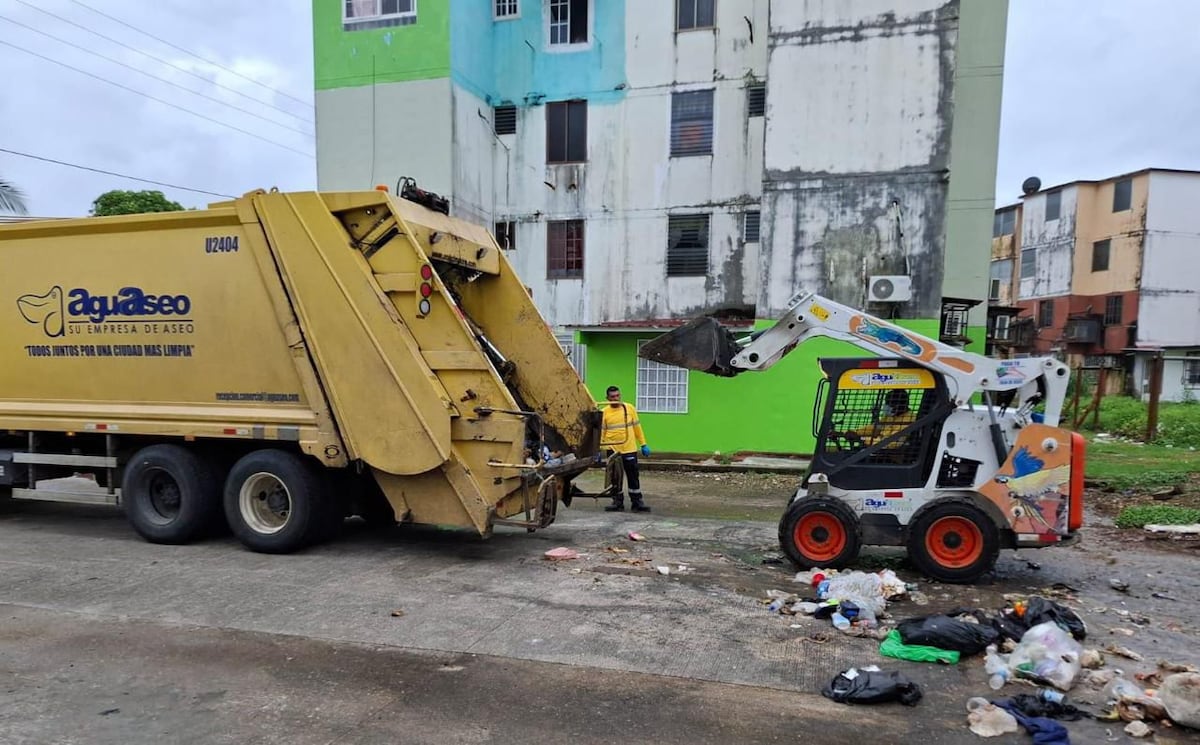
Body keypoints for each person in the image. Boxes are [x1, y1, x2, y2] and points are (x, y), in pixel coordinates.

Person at [600, 385, 651, 512]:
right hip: (613, 450)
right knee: (615, 477)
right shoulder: (604, 412)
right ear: (607, 398)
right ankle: (617, 502)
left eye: (617, 396)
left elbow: (637, 428)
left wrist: (643, 444)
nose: (616, 399)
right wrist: (599, 449)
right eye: (612, 397)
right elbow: (602, 432)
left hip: (629, 448)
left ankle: (637, 502)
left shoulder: (629, 408)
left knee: (633, 475)